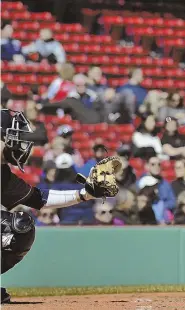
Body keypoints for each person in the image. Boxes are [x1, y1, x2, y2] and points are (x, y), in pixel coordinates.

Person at [0, 109, 118, 303]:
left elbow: (39, 199)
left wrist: (85, 194)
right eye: (10, 136)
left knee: (19, 228)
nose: (17, 142)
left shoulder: (2, 174)